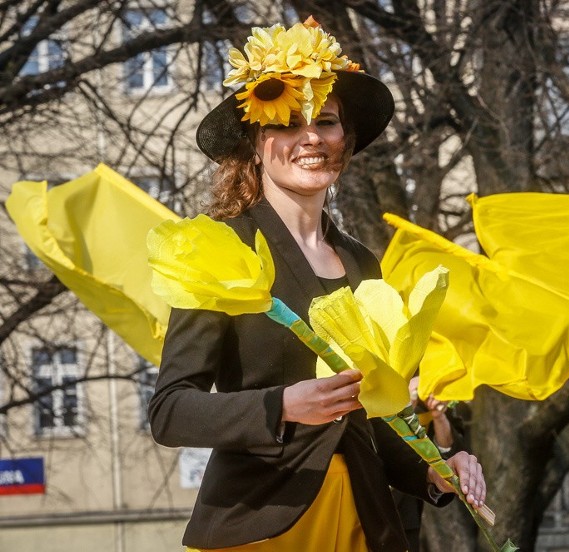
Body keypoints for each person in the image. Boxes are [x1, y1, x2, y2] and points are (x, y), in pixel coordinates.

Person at [147, 19, 486, 552]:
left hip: (365, 521)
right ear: (256, 145)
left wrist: (433, 471)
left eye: (326, 121)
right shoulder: (220, 249)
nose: (311, 137)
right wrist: (281, 404)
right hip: (262, 523)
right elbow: (169, 410)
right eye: (287, 122)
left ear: (344, 140)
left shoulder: (360, 261)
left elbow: (373, 421)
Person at [392, 376, 471, 551]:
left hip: (405, 510)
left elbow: (449, 451)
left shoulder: (433, 376)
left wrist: (439, 416)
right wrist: (406, 400)